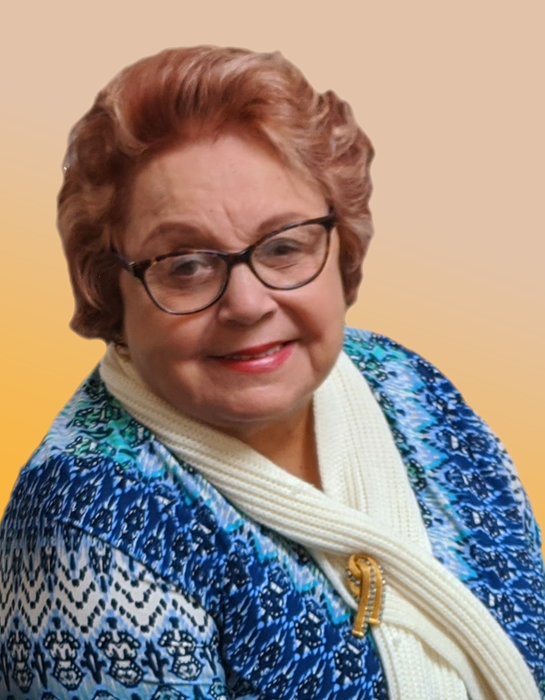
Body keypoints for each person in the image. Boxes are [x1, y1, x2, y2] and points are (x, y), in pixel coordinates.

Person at [0, 46, 543, 700]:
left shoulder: (406, 385)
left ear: (341, 243)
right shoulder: (86, 519)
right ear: (110, 288)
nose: (248, 304)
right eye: (185, 264)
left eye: (283, 246)